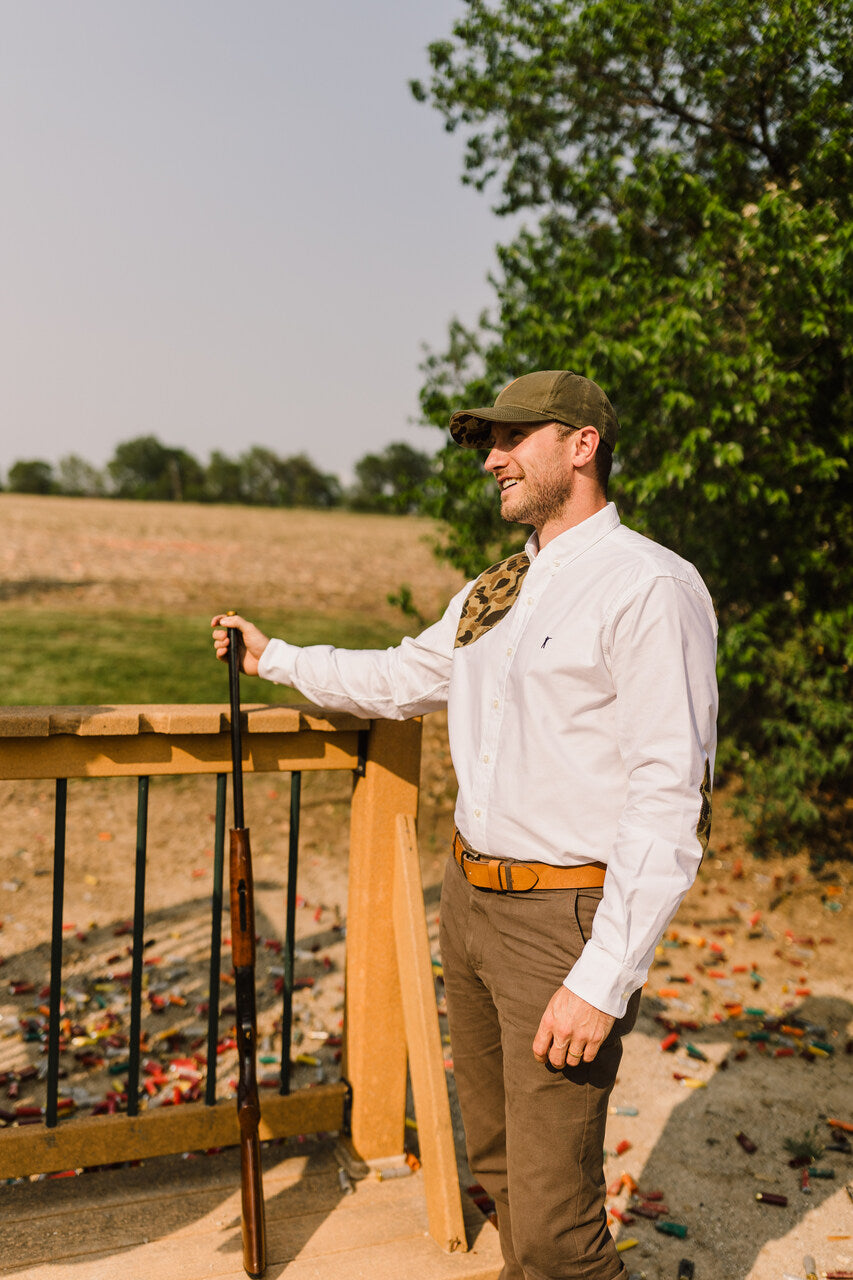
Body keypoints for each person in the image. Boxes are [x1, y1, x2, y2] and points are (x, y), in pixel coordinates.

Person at [212, 369, 718, 1280]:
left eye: (512, 437)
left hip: (560, 924)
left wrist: (602, 979)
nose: (491, 458)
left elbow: (668, 798)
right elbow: (402, 675)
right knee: (501, 1173)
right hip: (471, 906)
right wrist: (274, 656)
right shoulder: (497, 589)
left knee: (561, 1229)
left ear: (582, 444)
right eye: (487, 441)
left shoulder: (649, 587)